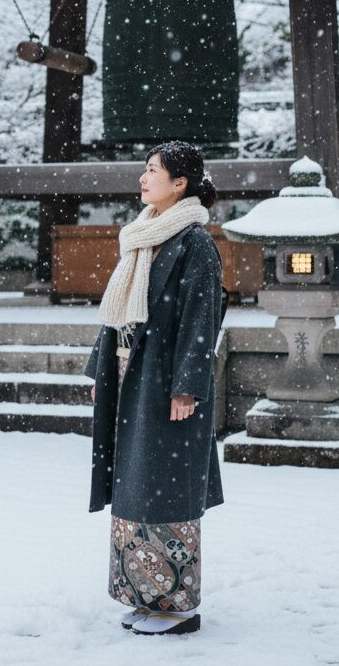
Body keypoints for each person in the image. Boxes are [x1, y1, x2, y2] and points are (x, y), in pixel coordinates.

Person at [84, 139, 226, 636]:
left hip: (165, 382)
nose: (143, 178)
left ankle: (176, 606)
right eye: (144, 170)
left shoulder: (194, 243)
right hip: (131, 374)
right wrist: (101, 371)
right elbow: (114, 314)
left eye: (153, 171)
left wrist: (188, 385)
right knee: (134, 483)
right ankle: (143, 596)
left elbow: (201, 321)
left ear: (180, 183)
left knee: (164, 487)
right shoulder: (143, 234)